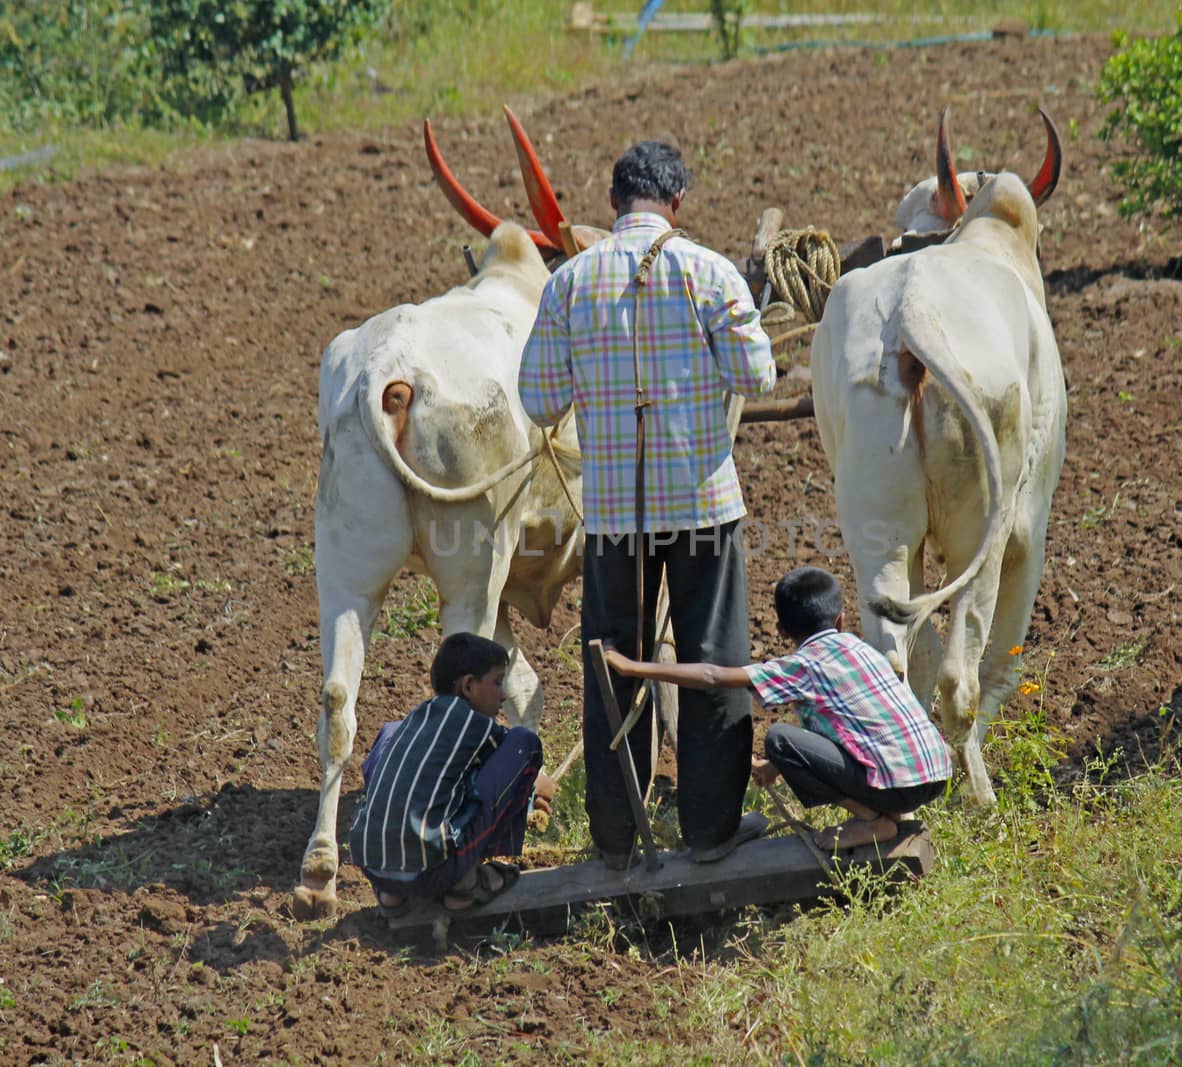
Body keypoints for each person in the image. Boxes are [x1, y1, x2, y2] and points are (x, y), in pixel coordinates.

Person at [519, 140, 777, 869]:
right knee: (713, 665)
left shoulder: (569, 283)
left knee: (614, 667)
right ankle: (710, 831)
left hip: (612, 524)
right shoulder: (709, 271)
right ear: (679, 201)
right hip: (702, 509)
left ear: (612, 202)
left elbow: (538, 400)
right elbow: (756, 373)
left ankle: (616, 837)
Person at [603, 566, 953, 852]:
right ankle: (888, 810)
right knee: (794, 744)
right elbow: (846, 728)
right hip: (935, 773)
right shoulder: (857, 648)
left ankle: (872, 820)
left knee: (780, 738)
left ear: (783, 630)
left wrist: (634, 668)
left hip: (898, 784)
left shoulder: (804, 665)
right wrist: (775, 768)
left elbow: (712, 675)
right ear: (841, 619)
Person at [347, 632, 557, 913]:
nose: (504, 694)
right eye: (496, 682)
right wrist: (536, 783)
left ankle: (390, 893)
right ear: (468, 686)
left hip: (370, 864)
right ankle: (466, 882)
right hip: (430, 875)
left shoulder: (415, 719)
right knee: (524, 746)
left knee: (389, 733)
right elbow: (505, 770)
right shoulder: (479, 725)